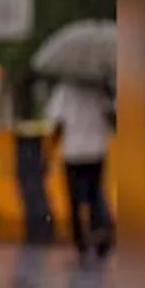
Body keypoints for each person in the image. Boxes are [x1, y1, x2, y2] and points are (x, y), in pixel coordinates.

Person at [45, 76, 116, 259]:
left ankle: (80, 241)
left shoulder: (64, 91)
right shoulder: (99, 89)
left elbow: (56, 122)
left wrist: (50, 148)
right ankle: (99, 233)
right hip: (96, 150)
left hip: (73, 152)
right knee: (94, 194)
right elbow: (112, 117)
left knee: (74, 198)